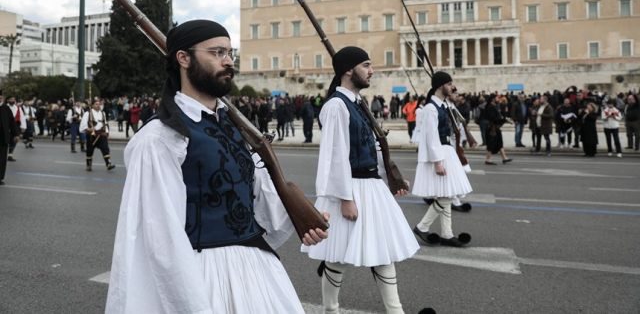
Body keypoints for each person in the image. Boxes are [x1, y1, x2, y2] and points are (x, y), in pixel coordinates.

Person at [105, 20, 327, 314]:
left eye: (230, 52)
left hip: (257, 270)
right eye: (217, 52)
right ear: (183, 58)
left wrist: (300, 217)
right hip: (203, 277)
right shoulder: (159, 138)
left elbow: (254, 197)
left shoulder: (234, 126)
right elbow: (160, 239)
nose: (228, 61)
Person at [302, 46, 419, 314]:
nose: (371, 70)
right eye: (366, 65)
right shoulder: (335, 106)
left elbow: (372, 148)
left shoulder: (357, 103)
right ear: (348, 70)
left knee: (383, 254)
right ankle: (330, 309)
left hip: (371, 187)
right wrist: (345, 199)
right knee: (337, 258)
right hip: (350, 189)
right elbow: (335, 157)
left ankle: (395, 310)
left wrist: (393, 178)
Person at [412, 72, 473, 247]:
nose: (452, 87)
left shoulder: (443, 105)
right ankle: (422, 226)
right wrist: (437, 161)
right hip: (441, 152)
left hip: (447, 150)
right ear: (440, 86)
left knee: (447, 194)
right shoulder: (431, 108)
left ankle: (447, 233)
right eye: (449, 84)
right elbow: (431, 137)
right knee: (446, 197)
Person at [80, 99, 115, 172]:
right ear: (92, 105)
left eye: (99, 104)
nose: (98, 105)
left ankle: (108, 164)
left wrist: (107, 132)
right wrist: (89, 129)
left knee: (105, 148)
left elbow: (105, 123)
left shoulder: (103, 113)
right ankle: (88, 165)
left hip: (101, 134)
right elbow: (83, 125)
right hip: (91, 135)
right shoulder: (87, 113)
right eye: (96, 104)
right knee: (89, 150)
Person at [484, 94, 512, 165]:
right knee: (491, 143)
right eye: (497, 98)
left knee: (499, 143)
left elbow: (499, 116)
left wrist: (504, 119)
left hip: (496, 128)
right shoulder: (490, 107)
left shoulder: (495, 106)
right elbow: (493, 118)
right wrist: (504, 120)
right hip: (492, 128)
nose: (498, 99)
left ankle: (504, 158)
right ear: (493, 99)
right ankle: (488, 159)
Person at [0, 93, 19, 185]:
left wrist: (16, 134)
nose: (0, 98)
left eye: (1, 97)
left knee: (2, 159)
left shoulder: (6, 109)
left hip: (3, 137)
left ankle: (0, 178)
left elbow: (12, 122)